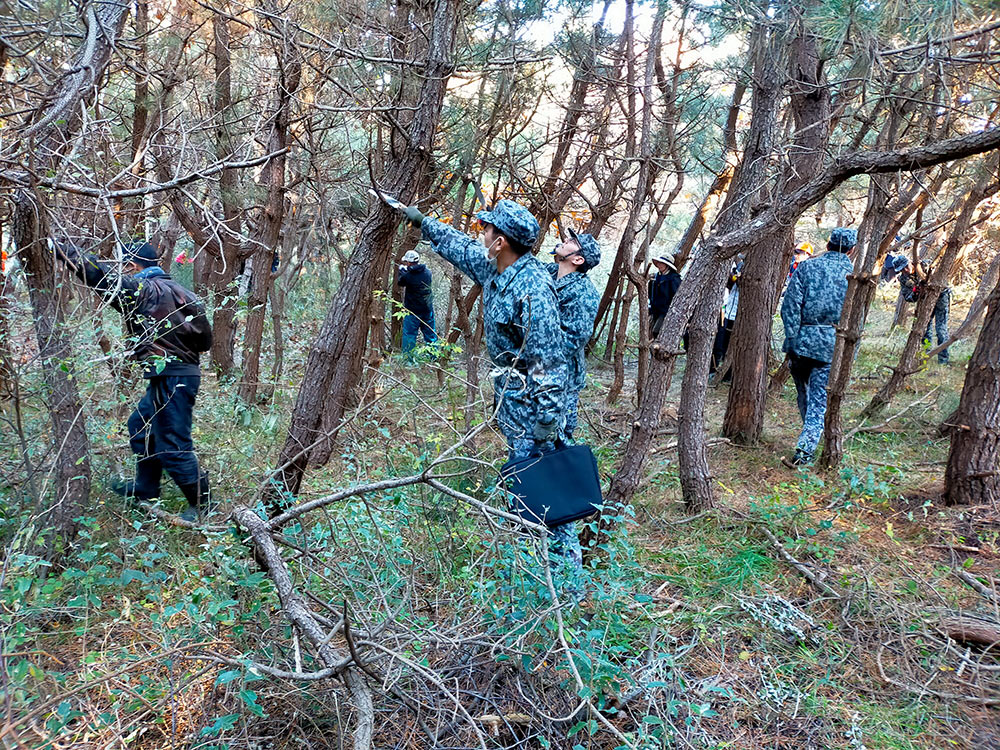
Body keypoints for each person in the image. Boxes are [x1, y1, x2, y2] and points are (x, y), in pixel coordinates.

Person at [394, 199, 582, 595]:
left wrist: (548, 421)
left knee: (548, 491)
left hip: (536, 407)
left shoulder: (532, 289)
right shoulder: (498, 268)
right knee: (527, 487)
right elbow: (460, 246)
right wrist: (422, 221)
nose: (482, 234)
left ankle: (566, 586)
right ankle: (538, 571)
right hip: (514, 402)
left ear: (501, 242)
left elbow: (549, 358)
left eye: (488, 230)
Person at [57, 241, 214, 521]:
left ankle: (204, 505)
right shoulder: (184, 292)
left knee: (173, 446)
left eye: (124, 265)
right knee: (139, 425)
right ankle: (146, 488)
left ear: (132, 265)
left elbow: (100, 277)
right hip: (175, 374)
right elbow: (205, 341)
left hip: (173, 376)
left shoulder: (143, 290)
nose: (123, 271)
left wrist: (63, 249)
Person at [780, 227, 857, 467]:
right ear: (852, 250)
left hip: (800, 343)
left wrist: (792, 337)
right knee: (817, 402)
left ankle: (808, 441)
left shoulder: (806, 267)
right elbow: (857, 318)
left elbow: (789, 306)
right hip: (831, 346)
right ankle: (804, 453)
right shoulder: (854, 275)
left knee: (805, 395)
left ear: (828, 245)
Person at [548, 229, 601, 441]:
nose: (565, 240)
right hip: (535, 372)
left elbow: (571, 340)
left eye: (572, 241)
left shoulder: (584, 293)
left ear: (578, 259)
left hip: (562, 377)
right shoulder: (548, 273)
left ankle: (565, 471)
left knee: (558, 435)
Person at [396, 249, 437, 357]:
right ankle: (434, 357)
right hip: (427, 310)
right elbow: (415, 274)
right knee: (430, 335)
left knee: (409, 335)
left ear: (409, 262)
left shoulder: (408, 276)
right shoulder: (427, 272)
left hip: (412, 311)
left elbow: (401, 282)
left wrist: (402, 270)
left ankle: (408, 360)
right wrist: (407, 270)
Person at [712, 256, 743, 373]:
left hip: (738, 315)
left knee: (732, 344)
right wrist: (731, 277)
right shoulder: (739, 266)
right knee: (721, 341)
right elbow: (731, 284)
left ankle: (728, 372)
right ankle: (717, 368)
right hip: (728, 311)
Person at [648, 253, 682, 337]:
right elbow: (650, 293)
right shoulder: (655, 277)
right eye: (659, 263)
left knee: (657, 331)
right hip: (655, 310)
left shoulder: (674, 279)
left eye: (662, 263)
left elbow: (677, 296)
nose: (659, 265)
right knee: (651, 332)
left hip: (666, 311)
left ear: (667, 265)